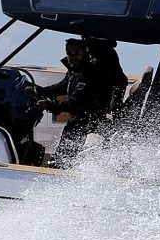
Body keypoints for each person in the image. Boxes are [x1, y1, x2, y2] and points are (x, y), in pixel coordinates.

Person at [28, 38, 107, 167]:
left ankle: (57, 173)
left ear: (85, 53)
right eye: (69, 53)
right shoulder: (75, 71)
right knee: (60, 157)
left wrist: (49, 105)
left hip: (85, 124)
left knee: (62, 160)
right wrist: (38, 90)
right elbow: (62, 87)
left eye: (77, 53)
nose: (72, 57)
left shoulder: (90, 74)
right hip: (75, 122)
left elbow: (75, 103)